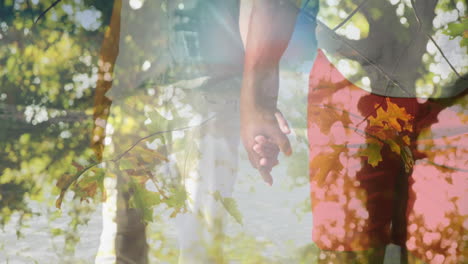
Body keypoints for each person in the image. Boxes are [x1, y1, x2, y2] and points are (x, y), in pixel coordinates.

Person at [243, 1, 467, 264]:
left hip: (457, 93)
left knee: (444, 250)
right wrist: (255, 101)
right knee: (346, 248)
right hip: (348, 84)